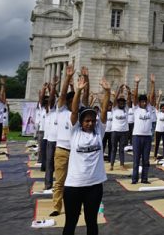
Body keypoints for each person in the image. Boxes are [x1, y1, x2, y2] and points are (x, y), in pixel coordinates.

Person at [63, 73, 109, 235]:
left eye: (92, 120)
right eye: (86, 121)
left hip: (94, 186)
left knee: (92, 222)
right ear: (81, 122)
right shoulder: (74, 132)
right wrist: (78, 91)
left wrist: (107, 92)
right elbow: (74, 111)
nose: (90, 123)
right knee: (71, 222)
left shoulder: (99, 132)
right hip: (74, 186)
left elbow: (103, 112)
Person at [51, 64, 86, 217]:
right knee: (59, 181)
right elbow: (63, 94)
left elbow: (84, 96)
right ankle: (56, 207)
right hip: (62, 151)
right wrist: (68, 78)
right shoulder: (61, 110)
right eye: (71, 101)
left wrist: (86, 80)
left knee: (76, 182)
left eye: (76, 102)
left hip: (76, 152)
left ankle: (75, 207)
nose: (74, 104)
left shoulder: (79, 115)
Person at [131, 75, 157, 185]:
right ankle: (134, 179)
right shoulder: (136, 109)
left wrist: (152, 84)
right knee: (136, 159)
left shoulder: (149, 109)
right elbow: (135, 97)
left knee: (146, 160)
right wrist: (136, 84)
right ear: (139, 102)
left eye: (145, 102)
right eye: (142, 102)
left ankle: (144, 178)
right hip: (137, 136)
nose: (144, 103)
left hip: (147, 137)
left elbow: (152, 97)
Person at [109, 83, 130, 171]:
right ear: (118, 103)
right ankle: (112, 165)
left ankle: (122, 164)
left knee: (121, 149)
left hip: (124, 132)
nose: (121, 103)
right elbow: (114, 100)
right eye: (120, 102)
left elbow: (129, 100)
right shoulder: (114, 108)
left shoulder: (126, 109)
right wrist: (119, 89)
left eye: (123, 102)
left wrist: (128, 91)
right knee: (113, 149)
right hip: (115, 131)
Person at [154, 91, 164, 159]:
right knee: (157, 144)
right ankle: (155, 155)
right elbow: (157, 104)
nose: (163, 109)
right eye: (162, 108)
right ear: (160, 109)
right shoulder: (158, 113)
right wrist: (160, 96)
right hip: (158, 131)